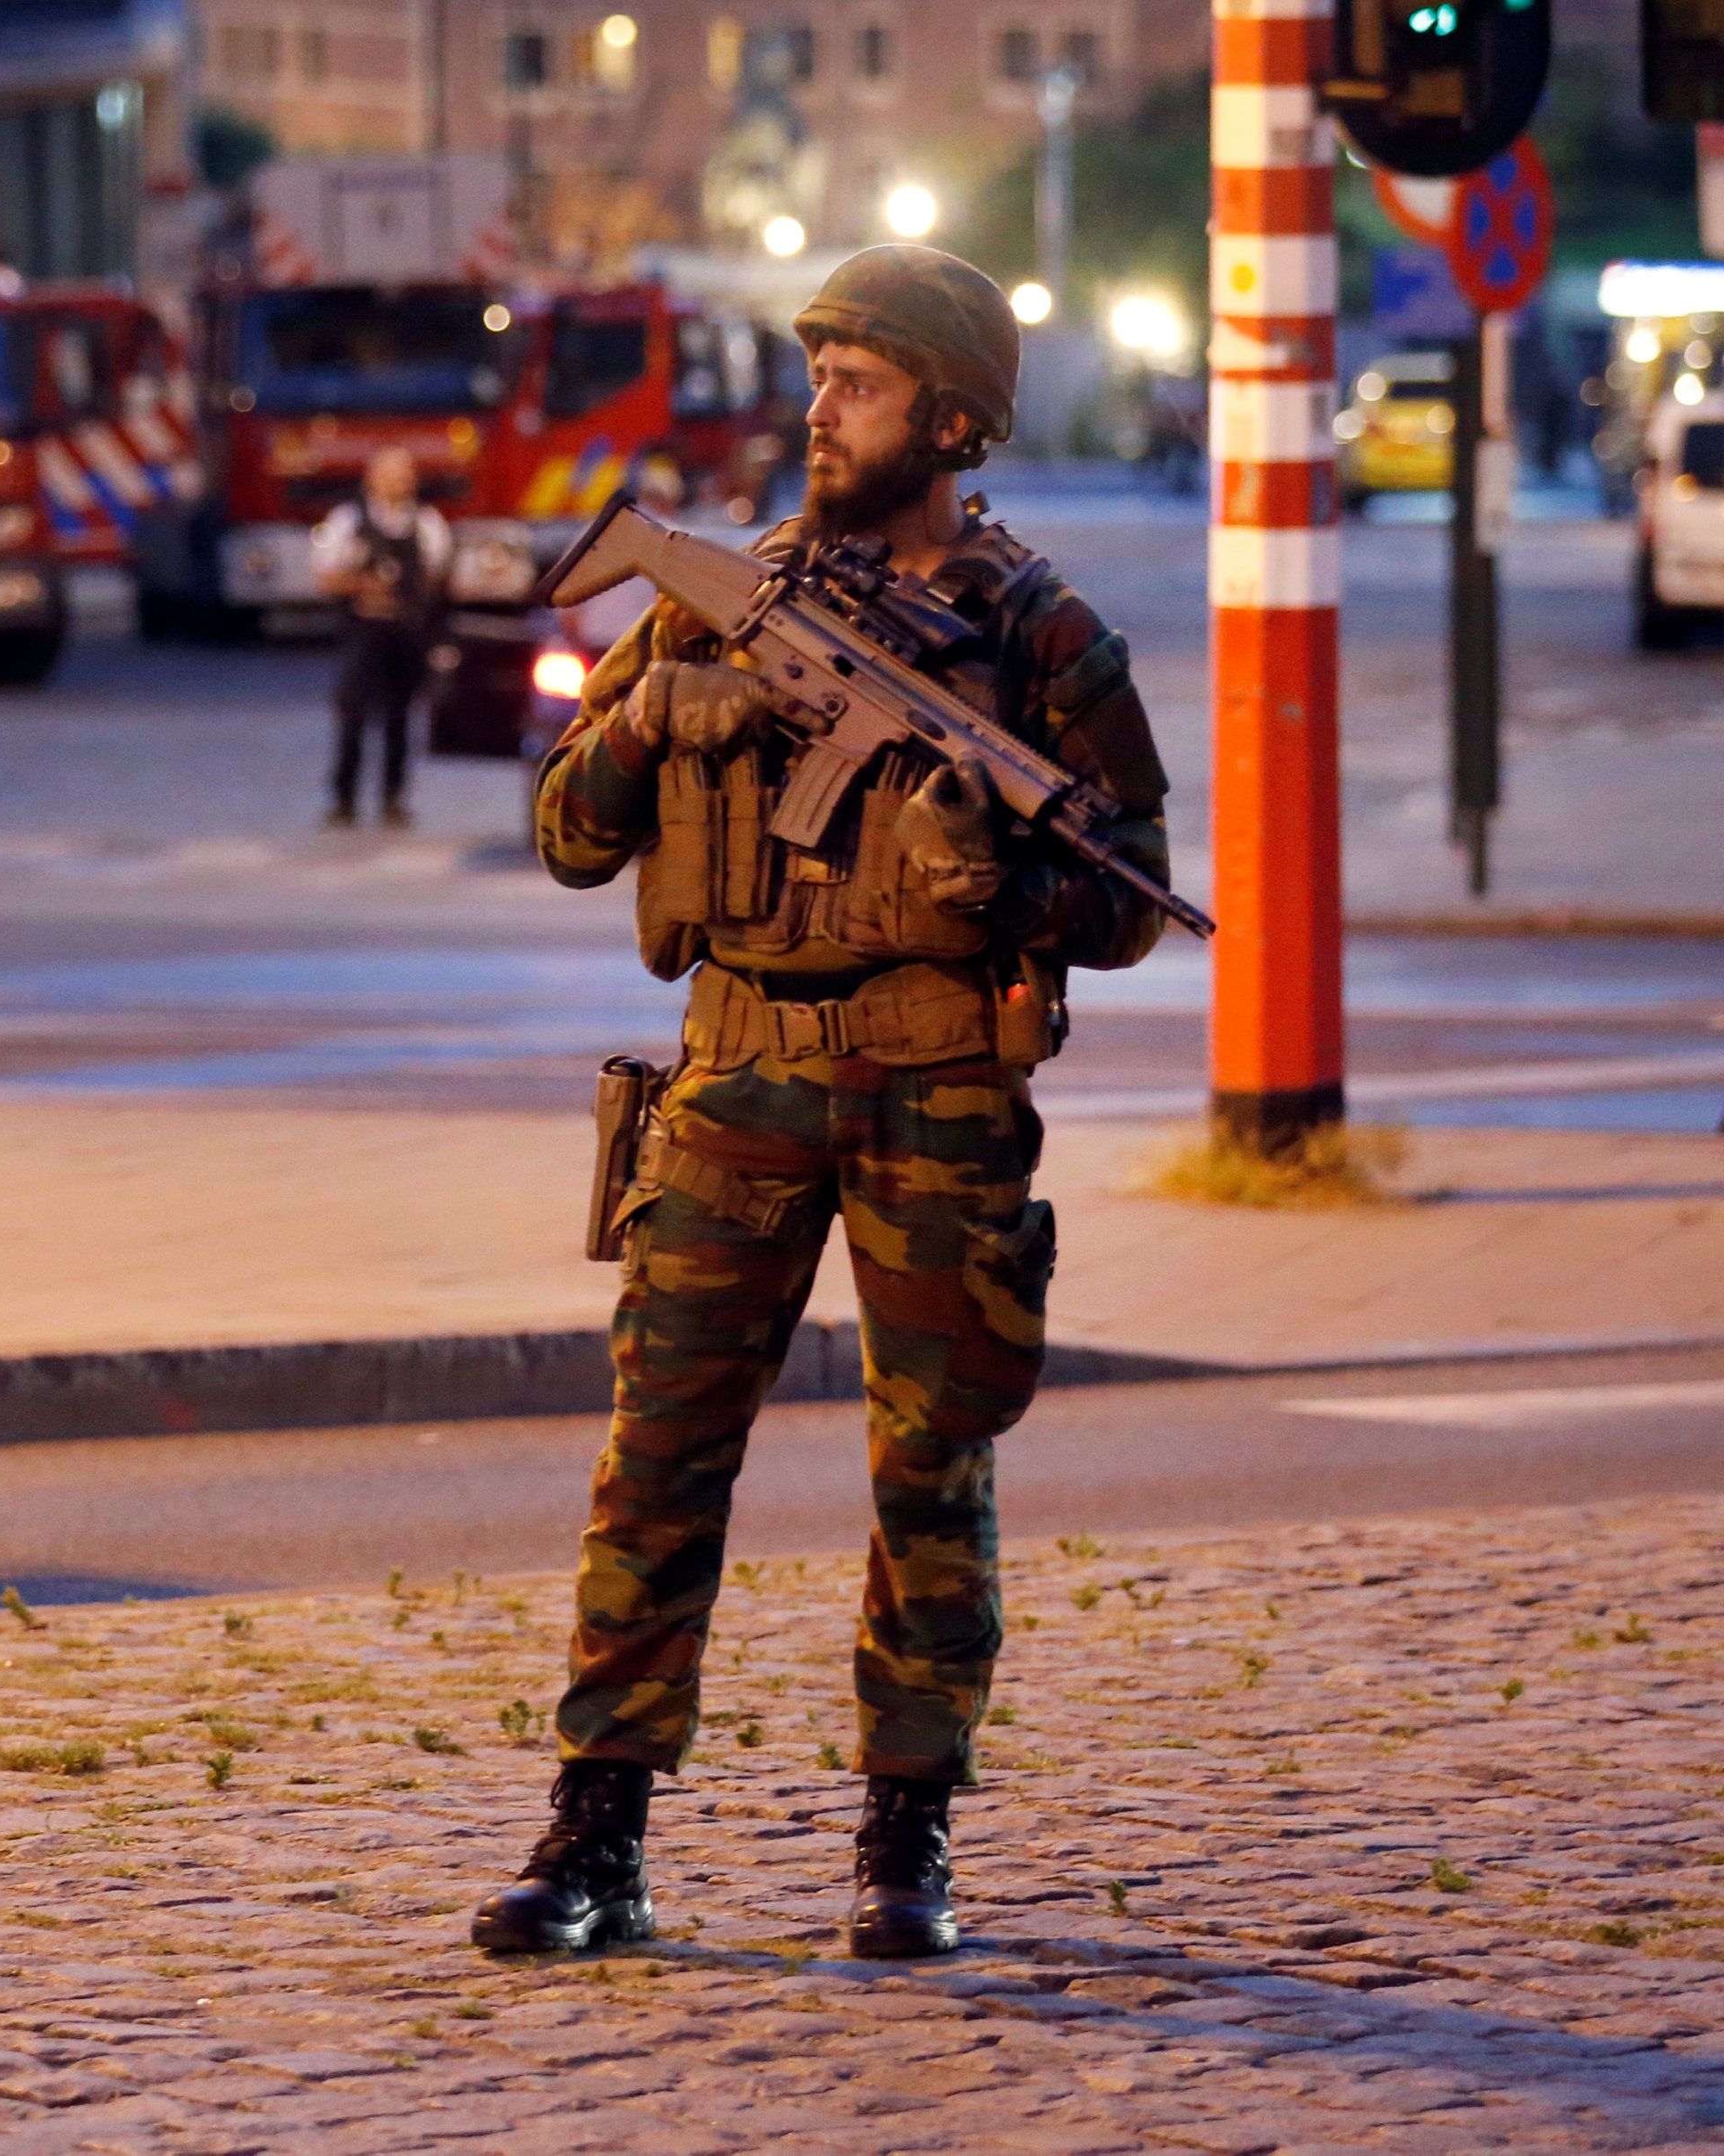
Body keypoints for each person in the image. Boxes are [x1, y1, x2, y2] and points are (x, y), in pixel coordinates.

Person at [473, 246, 1176, 1961]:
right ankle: (596, 1830)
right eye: (818, 377)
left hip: (939, 1084)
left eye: (857, 385)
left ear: (952, 419)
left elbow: (1136, 894)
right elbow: (567, 837)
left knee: (931, 1463)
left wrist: (1002, 882)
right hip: (736, 1079)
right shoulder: (722, 592)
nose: (819, 409)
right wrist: (652, 715)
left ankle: (904, 1832)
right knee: (657, 1453)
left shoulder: (1039, 630)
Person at [312, 445, 452, 828]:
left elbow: (438, 572)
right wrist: (364, 586)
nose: (399, 483)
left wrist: (408, 594)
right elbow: (325, 573)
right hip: (362, 632)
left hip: (406, 632)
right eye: (390, 475)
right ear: (371, 479)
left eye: (405, 476)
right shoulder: (347, 521)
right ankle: (344, 799)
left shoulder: (426, 523)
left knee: (399, 716)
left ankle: (393, 797)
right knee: (352, 715)